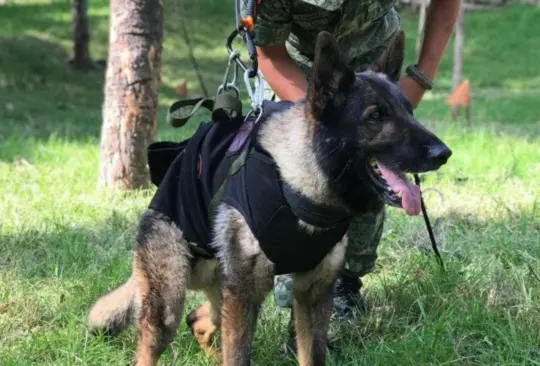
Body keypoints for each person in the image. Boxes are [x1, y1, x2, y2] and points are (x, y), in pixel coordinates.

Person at [240, 0, 461, 347]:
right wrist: (322, 117)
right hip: (303, 77)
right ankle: (287, 289)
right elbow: (270, 54)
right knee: (302, 192)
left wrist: (418, 78)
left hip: (377, 64)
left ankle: (344, 284)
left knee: (366, 181)